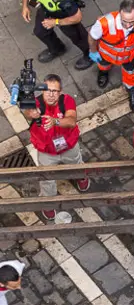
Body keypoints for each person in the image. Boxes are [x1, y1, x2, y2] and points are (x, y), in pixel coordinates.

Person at [24, 74, 89, 221]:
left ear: (60, 92)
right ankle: (48, 203)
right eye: (47, 90)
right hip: (47, 151)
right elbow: (27, 112)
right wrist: (31, 113)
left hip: (68, 146)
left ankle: (80, 177)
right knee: (47, 179)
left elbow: (71, 121)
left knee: (76, 164)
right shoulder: (36, 103)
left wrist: (56, 122)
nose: (51, 94)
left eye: (55, 91)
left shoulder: (67, 101)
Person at [88, 0, 134, 113]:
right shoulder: (105, 23)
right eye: (124, 21)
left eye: (132, 22)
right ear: (119, 14)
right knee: (103, 64)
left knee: (131, 73)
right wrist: (93, 51)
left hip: (129, 56)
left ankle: (133, 91)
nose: (128, 25)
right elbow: (92, 36)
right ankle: (103, 72)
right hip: (106, 54)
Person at [21, 0, 94, 70]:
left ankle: (90, 55)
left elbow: (77, 17)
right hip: (47, 8)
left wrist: (55, 22)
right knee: (40, 32)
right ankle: (57, 49)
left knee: (78, 37)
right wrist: (25, 6)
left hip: (65, 14)